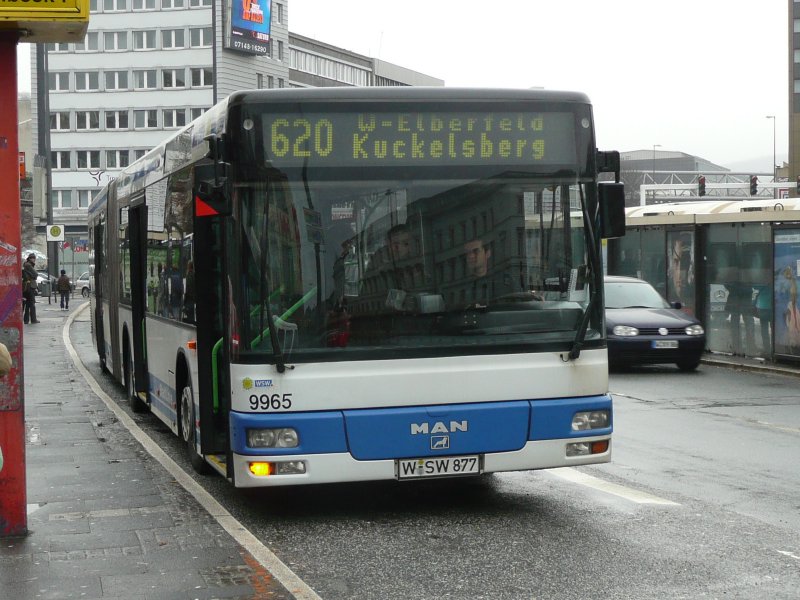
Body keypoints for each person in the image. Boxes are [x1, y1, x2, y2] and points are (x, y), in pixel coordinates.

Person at [22, 253, 40, 324]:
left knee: (28, 303)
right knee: (32, 303)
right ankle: (33, 319)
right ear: (29, 258)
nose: (34, 259)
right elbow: (36, 274)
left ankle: (26, 320)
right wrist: (34, 276)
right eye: (33, 258)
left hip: (26, 286)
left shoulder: (26, 265)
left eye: (34, 258)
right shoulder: (29, 265)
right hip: (30, 286)